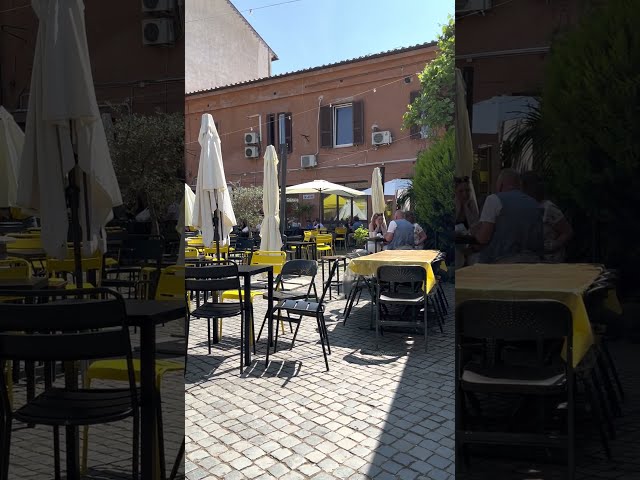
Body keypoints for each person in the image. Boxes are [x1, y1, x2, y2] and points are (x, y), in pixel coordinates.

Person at [473, 168, 544, 263]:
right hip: (531, 262)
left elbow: (483, 239)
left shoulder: (493, 199)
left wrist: (474, 233)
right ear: (519, 185)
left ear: (500, 185)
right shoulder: (535, 204)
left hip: (500, 263)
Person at [521, 171, 573, 263]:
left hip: (551, 259)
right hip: (533, 259)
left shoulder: (548, 208)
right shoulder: (525, 207)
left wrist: (552, 245)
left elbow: (567, 231)